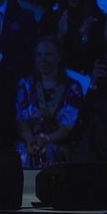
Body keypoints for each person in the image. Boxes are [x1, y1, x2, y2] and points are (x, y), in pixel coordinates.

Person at [15, 36, 84, 169]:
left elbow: (67, 126)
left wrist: (46, 139)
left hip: (58, 143)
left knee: (51, 151)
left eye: (48, 55)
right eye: (39, 55)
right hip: (29, 142)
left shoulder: (72, 88)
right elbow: (20, 120)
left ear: (58, 57)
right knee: (21, 152)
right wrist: (30, 139)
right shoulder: (25, 84)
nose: (43, 59)